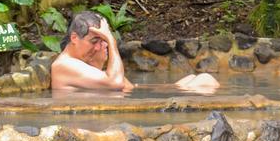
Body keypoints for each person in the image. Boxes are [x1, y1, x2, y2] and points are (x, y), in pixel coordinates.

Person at [50, 11, 220, 94]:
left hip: (134, 92)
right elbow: (116, 84)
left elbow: (120, 85)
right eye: (94, 41)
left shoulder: (78, 62)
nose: (98, 47)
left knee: (198, 79)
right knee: (206, 81)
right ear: (74, 37)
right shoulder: (63, 65)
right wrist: (112, 41)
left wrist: (99, 60)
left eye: (102, 42)